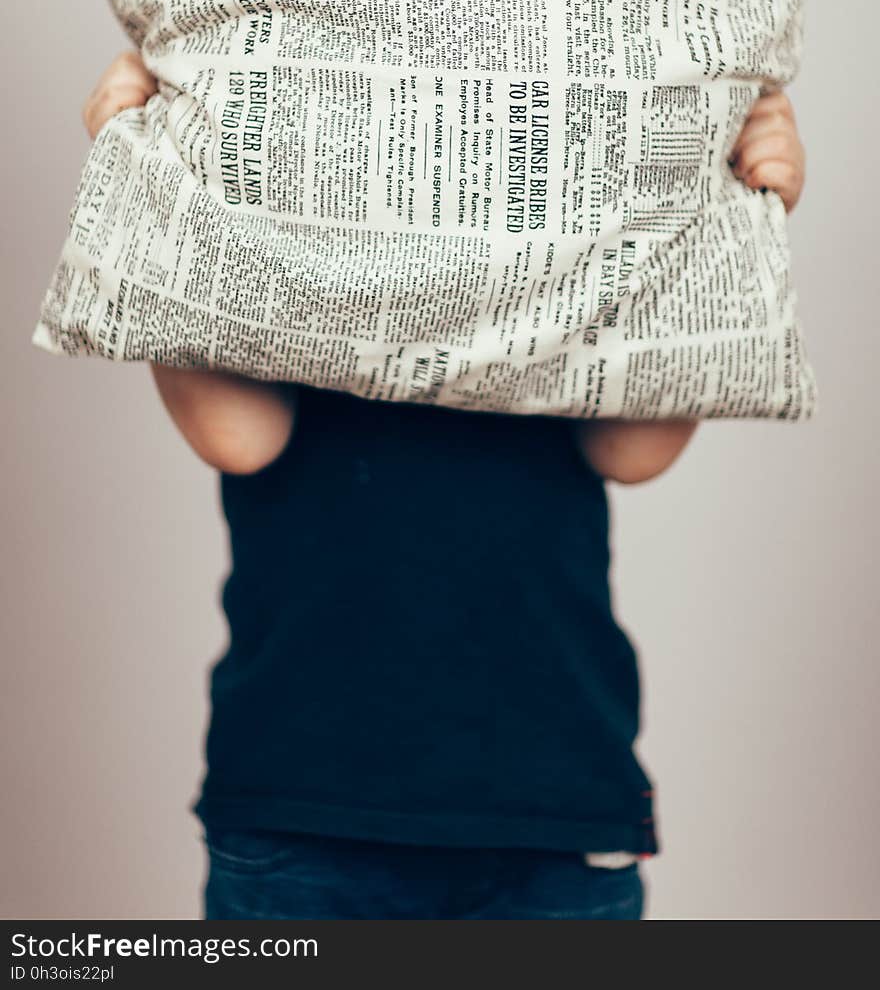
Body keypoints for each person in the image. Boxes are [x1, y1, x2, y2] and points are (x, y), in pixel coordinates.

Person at [83, 49, 806, 920]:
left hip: (553, 804)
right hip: (303, 803)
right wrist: (146, 180)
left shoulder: (566, 242)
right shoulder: (290, 219)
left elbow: (632, 449)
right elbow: (239, 438)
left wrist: (726, 202)